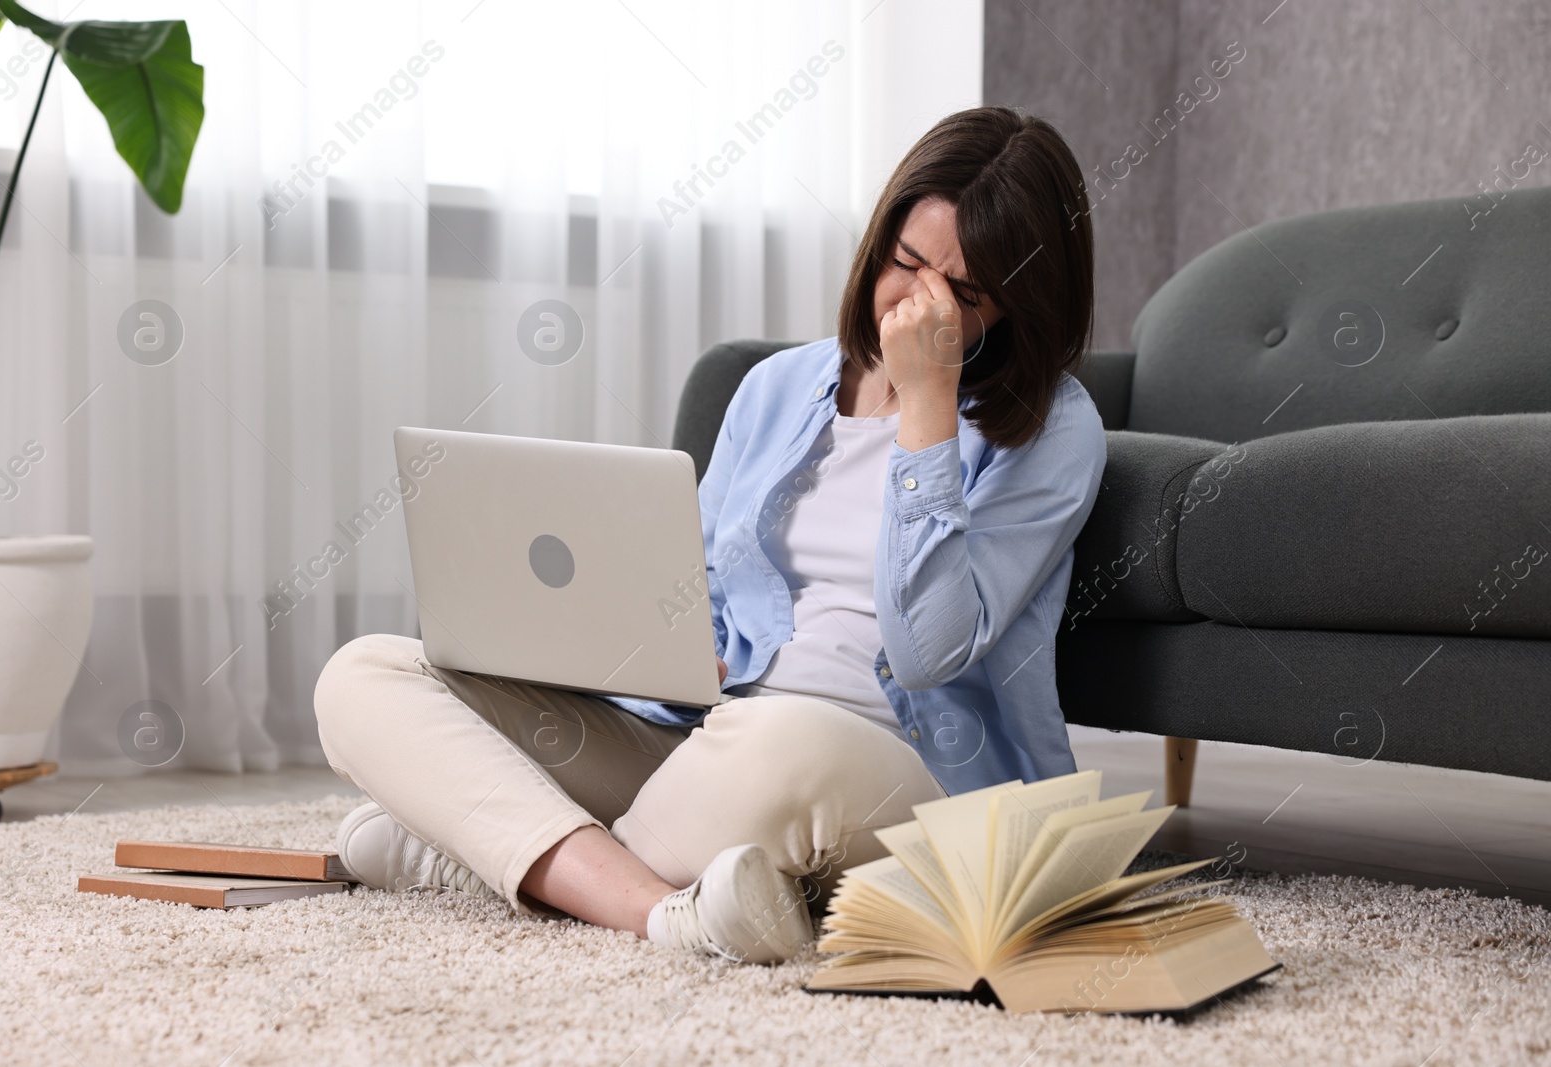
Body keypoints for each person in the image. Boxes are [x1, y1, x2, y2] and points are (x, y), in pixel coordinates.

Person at [312, 105, 1106, 965]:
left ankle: (484, 850)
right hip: (710, 736)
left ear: (1018, 307)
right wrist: (669, 650)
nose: (921, 303)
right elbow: (702, 595)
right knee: (367, 673)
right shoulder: (775, 386)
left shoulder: (1053, 429)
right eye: (907, 263)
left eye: (964, 293)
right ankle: (663, 907)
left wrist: (928, 404)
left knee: (780, 743)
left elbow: (929, 649)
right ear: (878, 242)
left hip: (884, 766)